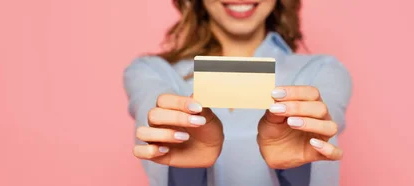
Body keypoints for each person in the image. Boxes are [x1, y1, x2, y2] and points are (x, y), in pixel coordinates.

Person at [123, 0, 352, 186]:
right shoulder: (152, 72)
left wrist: (294, 170)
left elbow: (324, 134)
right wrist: (189, 173)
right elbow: (154, 135)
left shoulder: (321, 70)